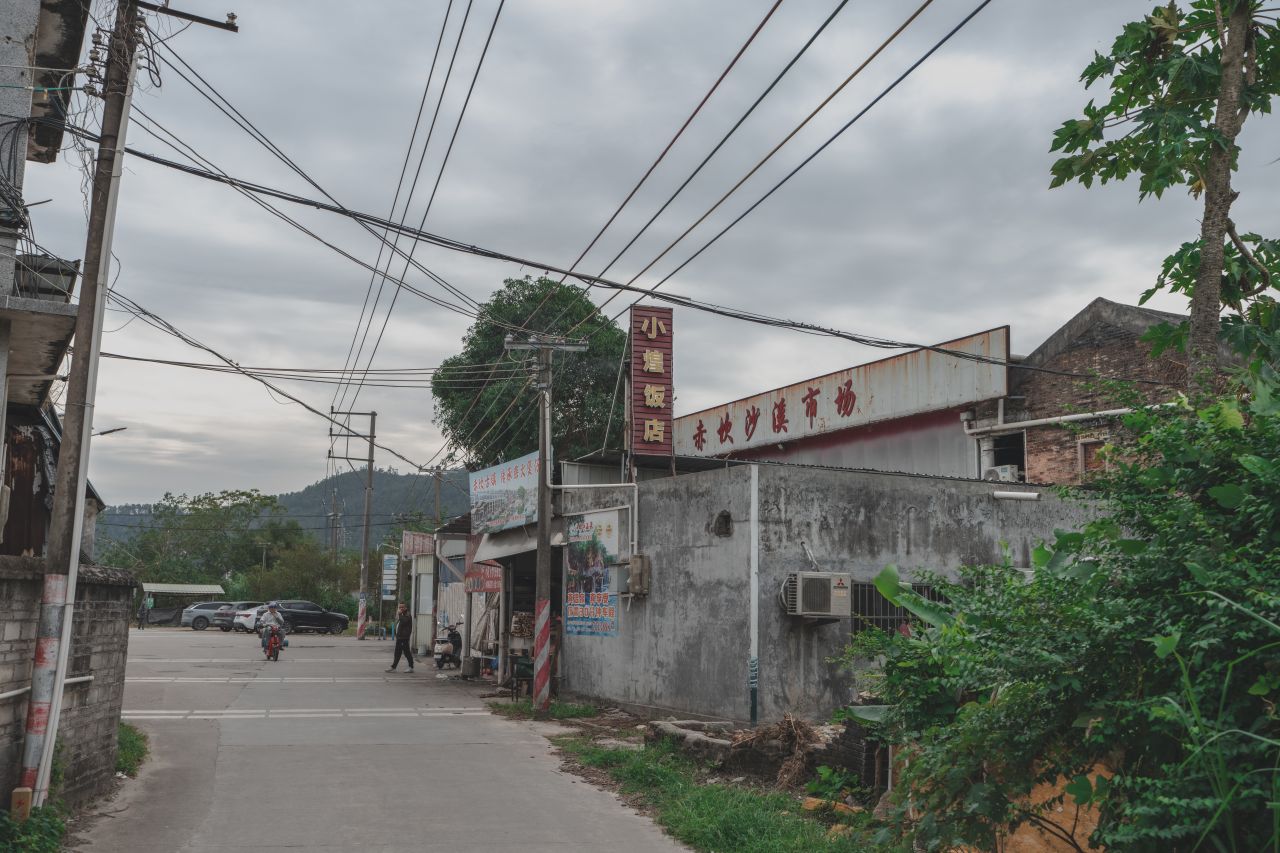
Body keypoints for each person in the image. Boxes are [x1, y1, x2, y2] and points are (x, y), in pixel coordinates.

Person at [387, 603, 413, 672]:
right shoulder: (402, 615)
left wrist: (399, 615)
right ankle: (393, 667)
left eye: (402, 607)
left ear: (405, 607)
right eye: (400, 607)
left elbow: (404, 622)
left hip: (404, 637)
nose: (401, 608)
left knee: (406, 652)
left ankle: (411, 667)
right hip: (400, 637)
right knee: (397, 653)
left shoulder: (407, 614)